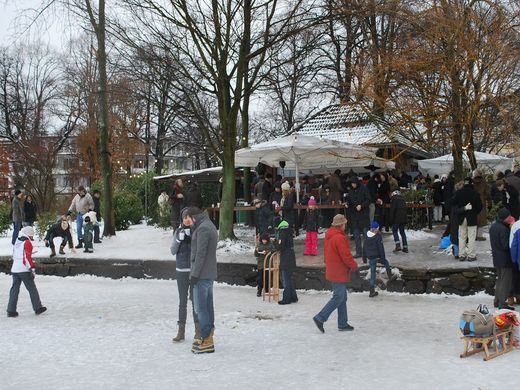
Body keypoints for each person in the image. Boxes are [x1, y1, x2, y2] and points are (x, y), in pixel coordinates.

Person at [312, 214, 359, 333]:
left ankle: (342, 323)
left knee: (342, 298)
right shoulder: (339, 238)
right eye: (344, 223)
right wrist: (354, 266)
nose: (346, 225)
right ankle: (320, 317)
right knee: (339, 297)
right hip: (339, 271)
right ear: (341, 225)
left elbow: (327, 254)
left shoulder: (330, 235)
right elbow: (346, 256)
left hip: (334, 269)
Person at [184, 207, 218, 354]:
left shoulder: (203, 229)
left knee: (200, 308)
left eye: (189, 219)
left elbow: (200, 254)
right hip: (208, 274)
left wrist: (194, 276)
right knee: (208, 306)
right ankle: (208, 335)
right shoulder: (208, 225)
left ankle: (206, 338)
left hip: (202, 275)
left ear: (194, 217)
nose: (188, 222)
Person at [171, 207, 200, 343]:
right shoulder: (178, 231)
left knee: (196, 302)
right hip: (181, 270)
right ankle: (181, 331)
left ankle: (198, 331)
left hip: (194, 271)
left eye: (189, 217)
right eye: (184, 218)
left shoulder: (197, 231)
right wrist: (179, 240)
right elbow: (172, 251)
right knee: (182, 302)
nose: (187, 220)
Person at [6, 226, 47, 317]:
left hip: (15, 269)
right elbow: (26, 258)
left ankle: (11, 310)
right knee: (32, 288)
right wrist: (31, 268)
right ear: (29, 234)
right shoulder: (27, 243)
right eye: (32, 235)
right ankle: (38, 307)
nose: (32, 237)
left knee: (14, 290)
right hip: (24, 269)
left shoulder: (17, 241)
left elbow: (15, 254)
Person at [452, 177, 483, 262]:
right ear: (471, 184)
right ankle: (471, 255)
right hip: (472, 218)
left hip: (461, 218)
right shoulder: (475, 194)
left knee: (462, 237)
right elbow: (480, 207)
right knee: (471, 237)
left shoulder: (458, 193)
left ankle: (461, 255)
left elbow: (454, 203)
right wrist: (474, 212)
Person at [489, 208, 514, 310]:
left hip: (496, 258)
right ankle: (502, 303)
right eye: (508, 216)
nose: (510, 218)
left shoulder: (493, 226)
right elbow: (505, 246)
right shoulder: (504, 229)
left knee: (499, 280)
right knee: (505, 282)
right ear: (505, 217)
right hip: (505, 259)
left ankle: (497, 300)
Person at [363, 221, 394, 298]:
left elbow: (364, 247)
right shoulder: (378, 236)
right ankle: (390, 275)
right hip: (377, 256)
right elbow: (381, 248)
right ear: (374, 229)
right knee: (386, 263)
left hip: (370, 257)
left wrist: (364, 258)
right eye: (377, 228)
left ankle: (371, 291)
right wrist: (382, 258)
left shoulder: (366, 236)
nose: (378, 230)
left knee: (373, 273)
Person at [345, 176, 370, 258]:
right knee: (356, 235)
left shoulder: (364, 188)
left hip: (364, 216)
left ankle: (366, 252)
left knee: (366, 235)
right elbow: (349, 200)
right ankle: (358, 252)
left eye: (354, 183)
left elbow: (368, 200)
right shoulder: (350, 191)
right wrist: (347, 204)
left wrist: (361, 206)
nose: (353, 185)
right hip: (354, 216)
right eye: (352, 183)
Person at [276, 219, 298, 305]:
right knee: (289, 278)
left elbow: (281, 245)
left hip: (286, 257)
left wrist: (276, 246)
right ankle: (293, 297)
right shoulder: (289, 232)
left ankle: (287, 298)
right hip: (291, 257)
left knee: (286, 279)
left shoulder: (282, 232)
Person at [472, 170, 492, 241]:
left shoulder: (472, 182)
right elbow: (488, 194)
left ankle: (473, 235)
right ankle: (479, 235)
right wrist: (489, 203)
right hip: (482, 202)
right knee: (481, 220)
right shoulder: (484, 183)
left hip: (473, 203)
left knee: (474, 219)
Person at [254, 232, 273, 297]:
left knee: (267, 277)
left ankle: (267, 289)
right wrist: (256, 251)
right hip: (261, 263)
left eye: (265, 240)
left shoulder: (270, 244)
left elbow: (273, 251)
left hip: (268, 263)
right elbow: (256, 255)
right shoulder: (259, 244)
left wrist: (267, 252)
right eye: (263, 240)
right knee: (260, 278)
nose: (264, 241)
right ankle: (259, 290)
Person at [510, 216, 520, 305]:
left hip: (517, 259)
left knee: (515, 278)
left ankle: (515, 297)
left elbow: (513, 245)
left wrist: (513, 259)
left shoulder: (516, 226)